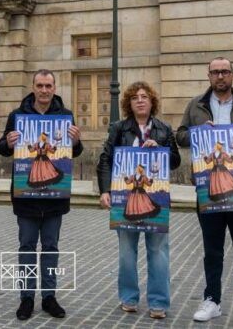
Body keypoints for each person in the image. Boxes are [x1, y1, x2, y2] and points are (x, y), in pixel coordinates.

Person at [175, 57, 233, 328]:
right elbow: (180, 137)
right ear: (209, 75)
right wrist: (196, 132)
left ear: (232, 75)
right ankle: (212, 300)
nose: (220, 76)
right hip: (208, 190)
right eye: (215, 72)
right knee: (212, 249)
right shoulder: (195, 105)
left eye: (224, 71)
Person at [0, 69, 83, 321]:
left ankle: (49, 296)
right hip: (26, 197)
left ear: (54, 88)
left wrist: (76, 142)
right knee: (26, 246)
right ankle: (26, 297)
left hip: (55, 198)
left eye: (48, 85)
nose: (44, 90)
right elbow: (2, 148)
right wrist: (8, 142)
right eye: (40, 85)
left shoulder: (65, 116)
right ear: (33, 87)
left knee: (51, 247)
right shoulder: (17, 116)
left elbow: (72, 152)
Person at [96, 81, 181, 319]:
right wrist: (105, 190)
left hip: (157, 197)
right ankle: (129, 297)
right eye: (135, 98)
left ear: (152, 101)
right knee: (126, 252)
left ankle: (159, 301)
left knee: (158, 250)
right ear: (129, 104)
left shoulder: (164, 128)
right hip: (124, 199)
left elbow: (175, 161)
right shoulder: (118, 128)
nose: (140, 101)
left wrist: (161, 148)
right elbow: (106, 159)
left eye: (144, 97)